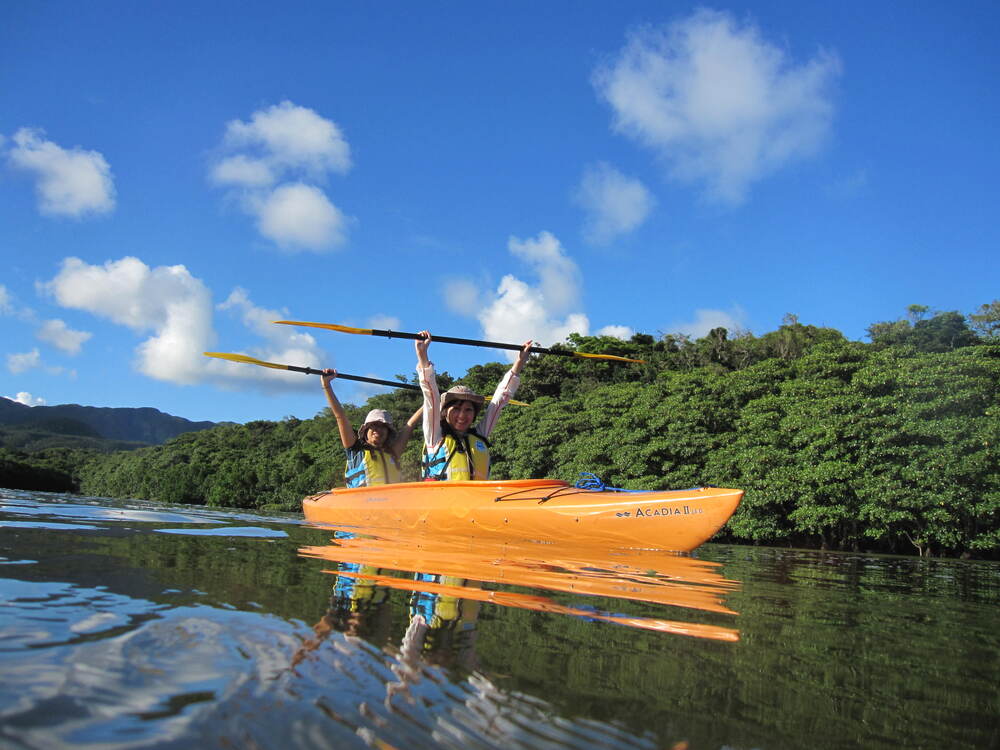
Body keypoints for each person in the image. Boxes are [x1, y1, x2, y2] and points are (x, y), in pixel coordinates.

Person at [414, 331, 531, 481]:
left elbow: (500, 400)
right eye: (456, 409)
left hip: (477, 497)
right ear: (445, 412)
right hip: (443, 497)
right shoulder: (434, 436)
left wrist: (519, 362)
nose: (462, 415)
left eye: (468, 410)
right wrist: (422, 356)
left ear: (474, 414)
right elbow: (431, 397)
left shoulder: (480, 435)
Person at [321, 369, 421, 487]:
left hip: (392, 499)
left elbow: (410, 425)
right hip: (363, 499)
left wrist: (431, 396)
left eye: (383, 427)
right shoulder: (355, 450)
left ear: (388, 432)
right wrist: (326, 385)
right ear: (366, 430)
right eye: (374, 425)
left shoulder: (393, 453)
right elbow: (340, 417)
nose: (378, 429)